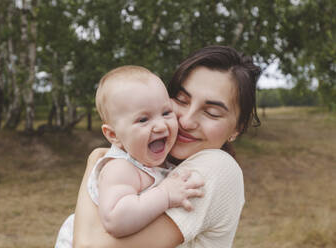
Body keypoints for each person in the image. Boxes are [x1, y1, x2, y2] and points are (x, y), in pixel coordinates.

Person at [72, 45, 262, 248]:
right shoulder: (147, 165)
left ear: (237, 129)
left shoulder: (217, 168)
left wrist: (94, 161)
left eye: (212, 112)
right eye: (181, 100)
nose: (187, 121)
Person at [55, 66, 204, 247]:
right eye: (143, 120)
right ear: (113, 136)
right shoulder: (120, 168)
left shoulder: (151, 160)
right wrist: (165, 195)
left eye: (166, 113)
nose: (161, 126)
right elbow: (116, 220)